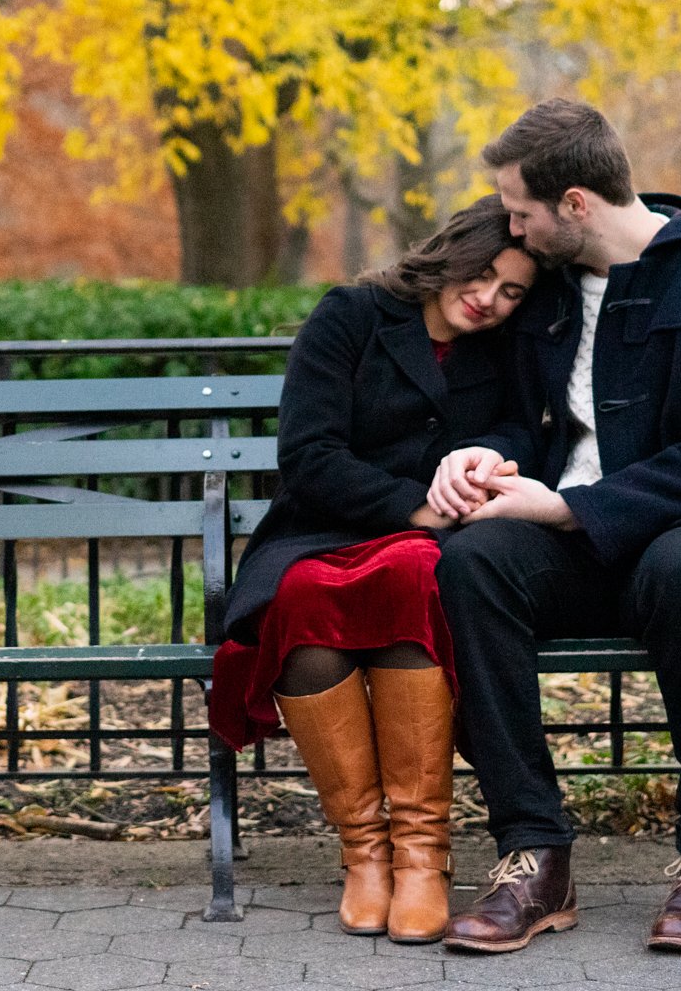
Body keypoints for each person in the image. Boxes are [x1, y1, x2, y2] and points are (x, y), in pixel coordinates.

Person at [427, 99, 681, 955]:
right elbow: (518, 418)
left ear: (576, 203)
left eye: (523, 211)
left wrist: (573, 505)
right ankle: (533, 852)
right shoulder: (549, 293)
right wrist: (483, 459)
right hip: (572, 555)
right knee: (472, 563)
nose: (512, 227)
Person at [210, 198, 536, 944]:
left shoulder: (504, 348)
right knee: (302, 603)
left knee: (413, 580)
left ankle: (423, 855)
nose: (490, 299)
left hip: (432, 548)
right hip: (321, 531)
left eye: (513, 290)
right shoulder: (354, 314)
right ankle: (364, 852)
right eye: (483, 275)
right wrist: (416, 506)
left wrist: (488, 458)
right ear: (451, 253)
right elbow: (309, 454)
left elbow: (522, 429)